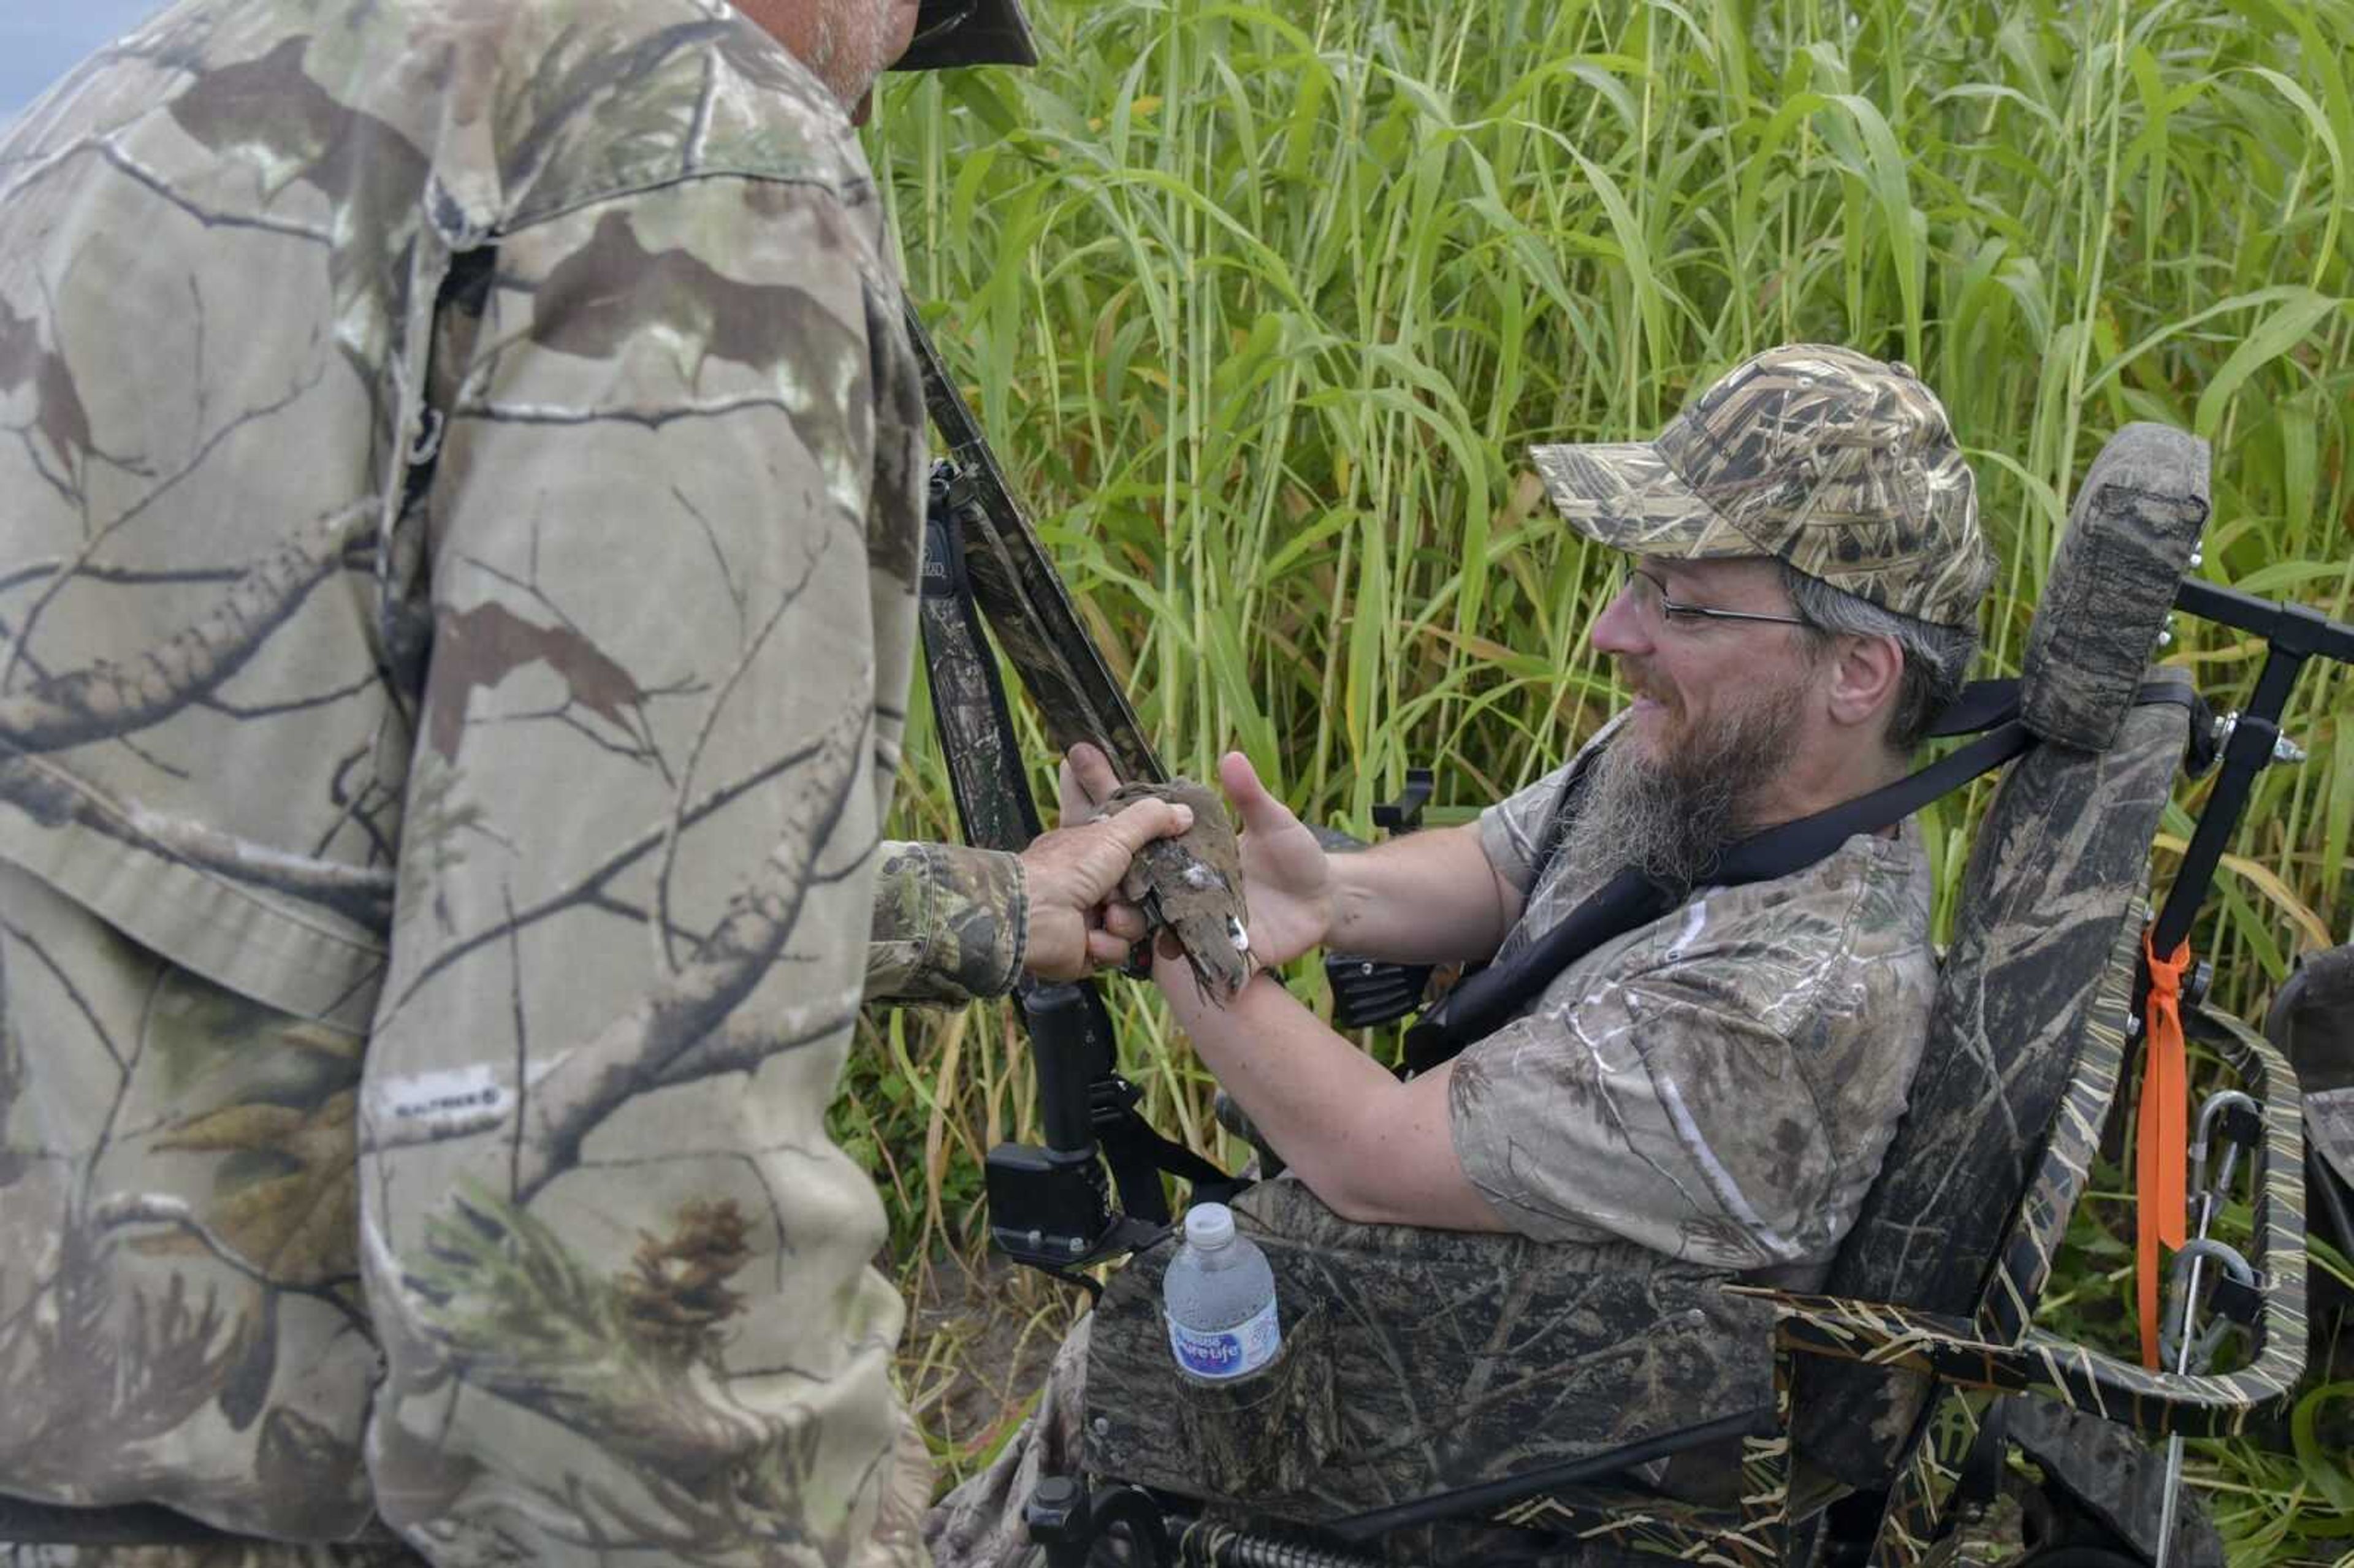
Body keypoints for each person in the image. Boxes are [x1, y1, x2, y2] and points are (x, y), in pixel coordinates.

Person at [0, 1, 1188, 1565]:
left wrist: (996, 908)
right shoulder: (683, 150)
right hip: (267, 1482)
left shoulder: (123, 108)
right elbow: (609, 1239)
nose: (883, 74)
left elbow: (309, 847)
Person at [925, 344, 1997, 1566]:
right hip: (1479, 1311)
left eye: (1682, 602)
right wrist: (1326, 893)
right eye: (1636, 581)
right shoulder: (1708, 758)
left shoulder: (1784, 1010)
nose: (1613, 631)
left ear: (1859, 672)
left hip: (1560, 1436)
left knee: (1142, 1347)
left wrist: (1181, 917)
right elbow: (1504, 866)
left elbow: (1371, 1154)